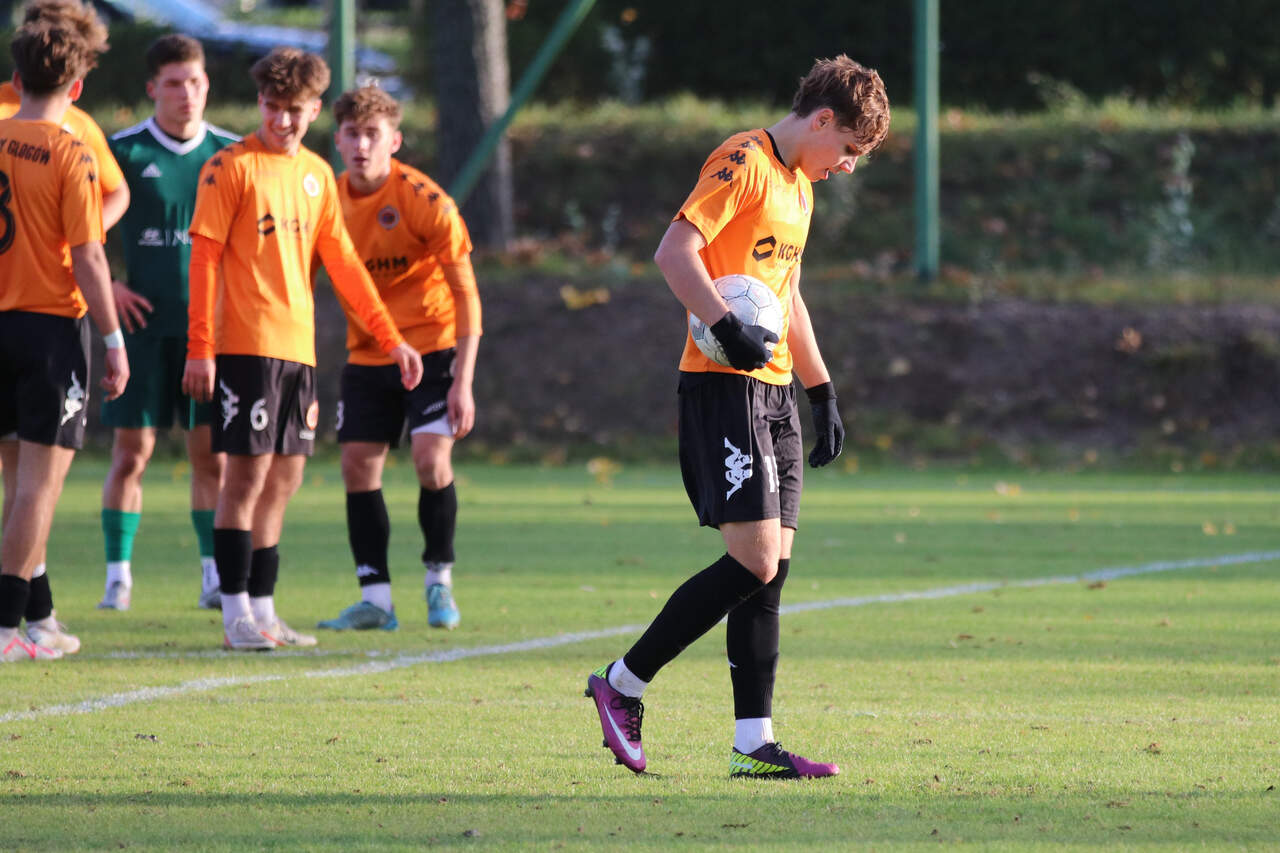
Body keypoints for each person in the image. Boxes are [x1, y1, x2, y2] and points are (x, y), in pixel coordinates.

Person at [585, 55, 889, 777]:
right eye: (848, 147)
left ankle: (754, 742)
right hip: (723, 387)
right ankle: (622, 684)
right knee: (753, 559)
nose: (848, 165)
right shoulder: (744, 162)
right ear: (822, 120)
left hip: (776, 393)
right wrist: (723, 325)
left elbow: (787, 295)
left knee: (770, 569)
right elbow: (675, 252)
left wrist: (821, 390)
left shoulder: (799, 187)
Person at [181, 48, 423, 651]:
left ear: (315, 110)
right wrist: (200, 347)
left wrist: (392, 339)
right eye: (272, 106)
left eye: (294, 109)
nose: (282, 120)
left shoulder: (316, 175)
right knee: (245, 477)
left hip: (299, 351)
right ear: (260, 103)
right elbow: (204, 260)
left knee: (284, 478)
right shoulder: (230, 167)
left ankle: (263, 610)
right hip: (245, 347)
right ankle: (234, 612)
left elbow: (344, 264)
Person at [316, 86, 481, 633]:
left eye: (373, 134)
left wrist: (463, 381)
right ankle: (376, 600)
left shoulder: (425, 200)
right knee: (357, 465)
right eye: (352, 134)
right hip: (368, 353)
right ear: (338, 140)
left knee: (431, 461)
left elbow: (466, 296)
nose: (361, 145)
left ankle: (439, 581)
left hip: (433, 347)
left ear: (395, 140)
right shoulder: (324, 199)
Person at [0, 20, 130, 662]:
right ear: (76, 87)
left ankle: (35, 618)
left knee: (14, 481)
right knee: (38, 486)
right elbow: (89, 257)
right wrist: (114, 339)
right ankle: (6, 630)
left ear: (16, 78)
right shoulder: (71, 152)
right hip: (49, 330)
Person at [96, 34, 238, 612]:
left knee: (212, 457)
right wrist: (107, 284)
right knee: (132, 453)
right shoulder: (123, 152)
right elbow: (75, 228)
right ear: (153, 88)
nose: (187, 93)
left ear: (208, 86)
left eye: (195, 82)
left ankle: (213, 576)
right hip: (140, 330)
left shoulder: (230, 155)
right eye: (174, 83)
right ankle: (118, 578)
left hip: (208, 334)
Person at [0, 0, 130, 230]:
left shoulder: (81, 126)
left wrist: (82, 236)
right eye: (45, 40)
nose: (52, 51)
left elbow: (118, 193)